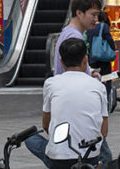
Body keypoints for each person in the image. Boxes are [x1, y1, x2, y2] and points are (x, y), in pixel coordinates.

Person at [25, 38, 111, 169]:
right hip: (90, 157)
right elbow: (103, 131)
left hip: (58, 159)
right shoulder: (98, 86)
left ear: (61, 62)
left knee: (30, 138)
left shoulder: (51, 83)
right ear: (85, 60)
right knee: (103, 150)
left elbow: (46, 125)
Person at [54, 0, 101, 76]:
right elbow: (75, 74)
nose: (96, 19)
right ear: (79, 13)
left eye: (97, 15)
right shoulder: (74, 37)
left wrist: (90, 73)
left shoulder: (67, 32)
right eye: (93, 15)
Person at [86, 11, 116, 78]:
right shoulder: (103, 26)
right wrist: (113, 48)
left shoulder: (88, 27)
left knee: (94, 76)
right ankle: (106, 88)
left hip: (92, 57)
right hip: (103, 56)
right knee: (106, 77)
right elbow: (109, 39)